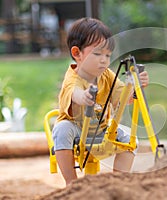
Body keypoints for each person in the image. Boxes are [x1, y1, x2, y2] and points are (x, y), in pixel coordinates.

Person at [52, 17, 149, 185]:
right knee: (61, 130)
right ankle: (72, 183)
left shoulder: (107, 75)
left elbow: (123, 97)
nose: (104, 59)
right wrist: (83, 96)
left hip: (101, 129)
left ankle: (118, 182)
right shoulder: (74, 76)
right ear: (77, 54)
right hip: (76, 127)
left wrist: (135, 86)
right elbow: (73, 92)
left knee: (130, 142)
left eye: (107, 54)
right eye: (97, 53)